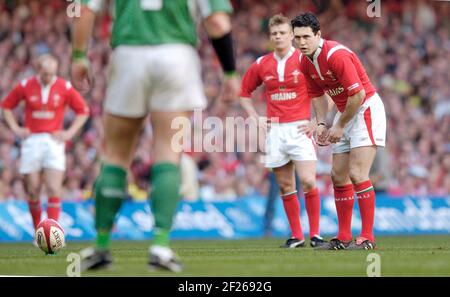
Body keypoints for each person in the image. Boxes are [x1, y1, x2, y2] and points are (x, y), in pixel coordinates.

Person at [71, 0, 240, 272]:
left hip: (128, 55)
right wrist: (230, 72)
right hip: (177, 57)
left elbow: (83, 9)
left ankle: (101, 245)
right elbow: (218, 23)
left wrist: (79, 56)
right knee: (168, 154)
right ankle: (160, 246)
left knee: (115, 154)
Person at [292, 12, 386, 250]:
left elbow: (358, 95)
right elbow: (316, 95)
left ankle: (367, 237)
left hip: (365, 109)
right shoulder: (305, 61)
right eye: (297, 37)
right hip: (345, 112)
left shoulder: (337, 55)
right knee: (338, 176)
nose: (301, 42)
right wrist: (322, 123)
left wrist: (340, 124)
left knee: (357, 173)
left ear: (318, 35)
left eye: (305, 36)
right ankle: (344, 236)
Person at [240, 14, 327, 248]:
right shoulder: (261, 64)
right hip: (275, 132)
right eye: (274, 34)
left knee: (308, 181)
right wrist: (255, 118)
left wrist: (317, 121)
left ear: (291, 36)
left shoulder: (304, 60)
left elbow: (323, 90)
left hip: (300, 130)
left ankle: (316, 235)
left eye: (282, 33)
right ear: (270, 37)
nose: (278, 37)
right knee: (286, 186)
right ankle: (297, 236)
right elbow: (244, 94)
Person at [0, 54, 89, 238]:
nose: (49, 77)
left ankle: (52, 233)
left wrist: (69, 133)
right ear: (38, 70)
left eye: (52, 73)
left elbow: (83, 111)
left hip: (53, 141)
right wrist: (16, 128)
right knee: (32, 188)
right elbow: (6, 106)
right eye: (46, 73)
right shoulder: (25, 86)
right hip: (31, 140)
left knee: (54, 188)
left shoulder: (64, 86)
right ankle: (37, 232)